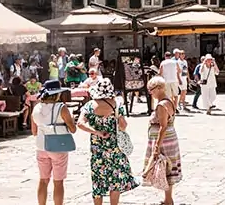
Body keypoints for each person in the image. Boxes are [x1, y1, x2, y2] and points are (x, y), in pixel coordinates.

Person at [77, 78, 138, 205]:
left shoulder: (89, 106)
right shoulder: (116, 105)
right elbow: (123, 125)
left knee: (98, 179)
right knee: (115, 179)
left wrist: (97, 132)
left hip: (97, 148)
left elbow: (80, 124)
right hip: (115, 147)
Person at [31, 80, 77, 205]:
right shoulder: (61, 108)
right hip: (58, 147)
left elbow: (34, 132)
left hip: (41, 147)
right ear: (57, 94)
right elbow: (73, 129)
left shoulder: (36, 108)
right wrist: (71, 119)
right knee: (58, 182)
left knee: (43, 180)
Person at [144, 76, 181, 205]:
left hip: (164, 140)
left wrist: (156, 147)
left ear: (159, 88)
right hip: (170, 138)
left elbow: (163, 126)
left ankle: (169, 200)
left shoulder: (161, 105)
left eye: (151, 89)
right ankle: (167, 198)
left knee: (164, 167)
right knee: (168, 167)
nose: (150, 92)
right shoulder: (169, 101)